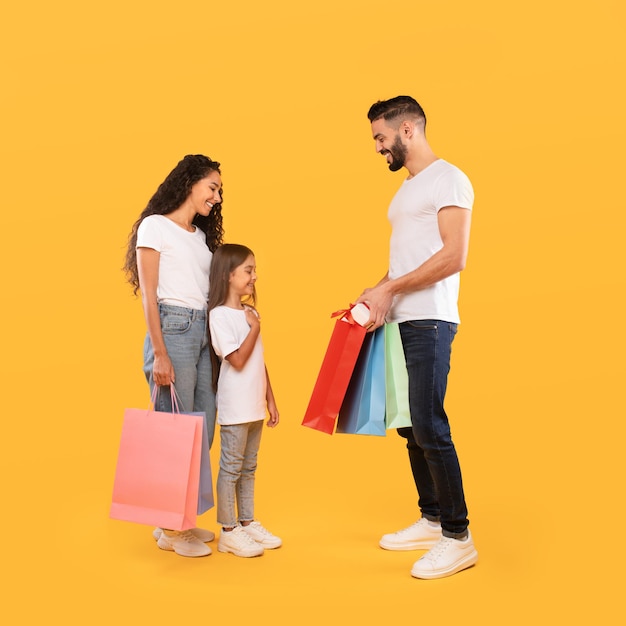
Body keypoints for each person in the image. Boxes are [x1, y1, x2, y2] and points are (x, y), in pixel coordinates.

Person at [356, 96, 478, 579]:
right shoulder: (407, 190)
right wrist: (375, 293)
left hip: (430, 318)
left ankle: (458, 536)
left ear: (407, 129)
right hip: (400, 319)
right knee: (410, 425)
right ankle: (431, 520)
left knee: (429, 423)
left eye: (380, 138)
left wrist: (392, 289)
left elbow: (454, 256)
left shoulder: (449, 178)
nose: (378, 148)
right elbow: (407, 262)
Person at [123, 154, 224, 558]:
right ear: (190, 182)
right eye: (212, 187)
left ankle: (179, 518)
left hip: (203, 330)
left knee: (202, 425)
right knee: (173, 426)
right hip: (173, 327)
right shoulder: (155, 227)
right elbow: (149, 295)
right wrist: (160, 353)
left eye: (219, 191)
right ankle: (170, 528)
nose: (217, 197)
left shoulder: (199, 237)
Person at [207, 244, 281, 558]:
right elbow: (236, 360)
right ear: (228, 275)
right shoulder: (220, 316)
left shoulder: (251, 314)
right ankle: (228, 530)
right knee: (232, 468)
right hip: (236, 405)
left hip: (254, 405)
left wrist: (271, 399)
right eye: (248, 270)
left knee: (249, 468)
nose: (255, 276)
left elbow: (258, 361)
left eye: (254, 270)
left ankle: (247, 522)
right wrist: (254, 329)